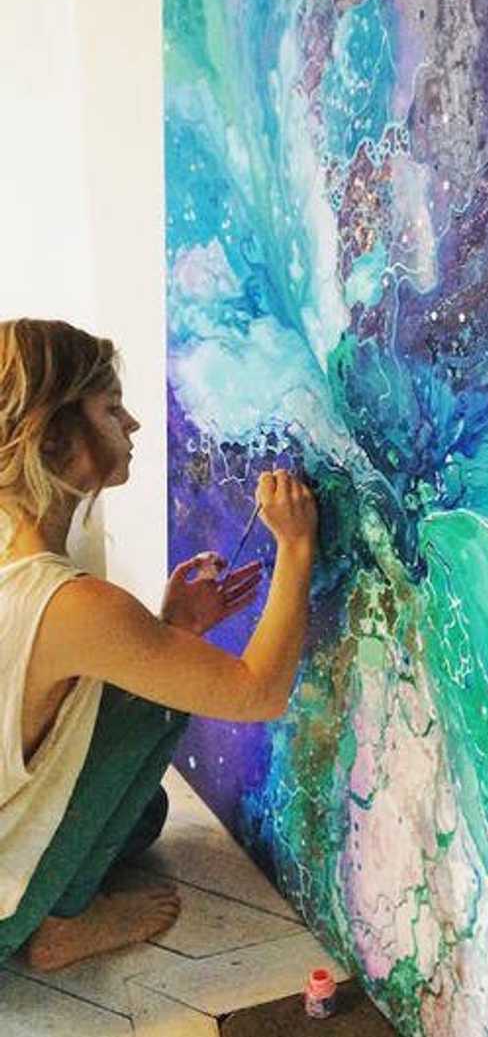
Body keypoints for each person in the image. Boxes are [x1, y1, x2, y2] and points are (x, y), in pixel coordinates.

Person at [0, 318, 318, 971]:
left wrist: (171, 628)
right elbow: (259, 693)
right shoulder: (72, 604)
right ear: (56, 436)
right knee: (151, 705)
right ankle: (59, 926)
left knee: (147, 815)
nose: (134, 424)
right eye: (111, 408)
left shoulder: (19, 566)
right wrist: (296, 545)